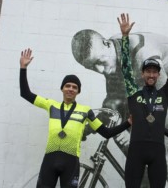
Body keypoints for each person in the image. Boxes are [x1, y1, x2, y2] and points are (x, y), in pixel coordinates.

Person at [72, 17, 168, 187]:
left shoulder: (142, 56)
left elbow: (165, 111)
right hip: (163, 82)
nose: (101, 70)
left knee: (161, 151)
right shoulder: (112, 55)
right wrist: (86, 127)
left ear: (107, 44)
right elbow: (113, 102)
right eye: (92, 67)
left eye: (100, 63)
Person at [19, 48, 131, 188]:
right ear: (62, 89)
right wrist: (23, 68)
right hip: (50, 159)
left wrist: (127, 123)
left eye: (74, 87)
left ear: (78, 92)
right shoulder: (51, 105)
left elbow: (106, 132)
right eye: (67, 86)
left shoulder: (85, 111)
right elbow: (25, 94)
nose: (71, 89)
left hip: (71, 162)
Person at [117, 13, 168, 188]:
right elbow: (126, 66)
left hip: (157, 150)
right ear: (142, 74)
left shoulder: (164, 94)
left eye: (154, 71)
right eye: (148, 71)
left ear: (158, 74)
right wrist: (125, 37)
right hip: (136, 150)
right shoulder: (134, 93)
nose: (151, 74)